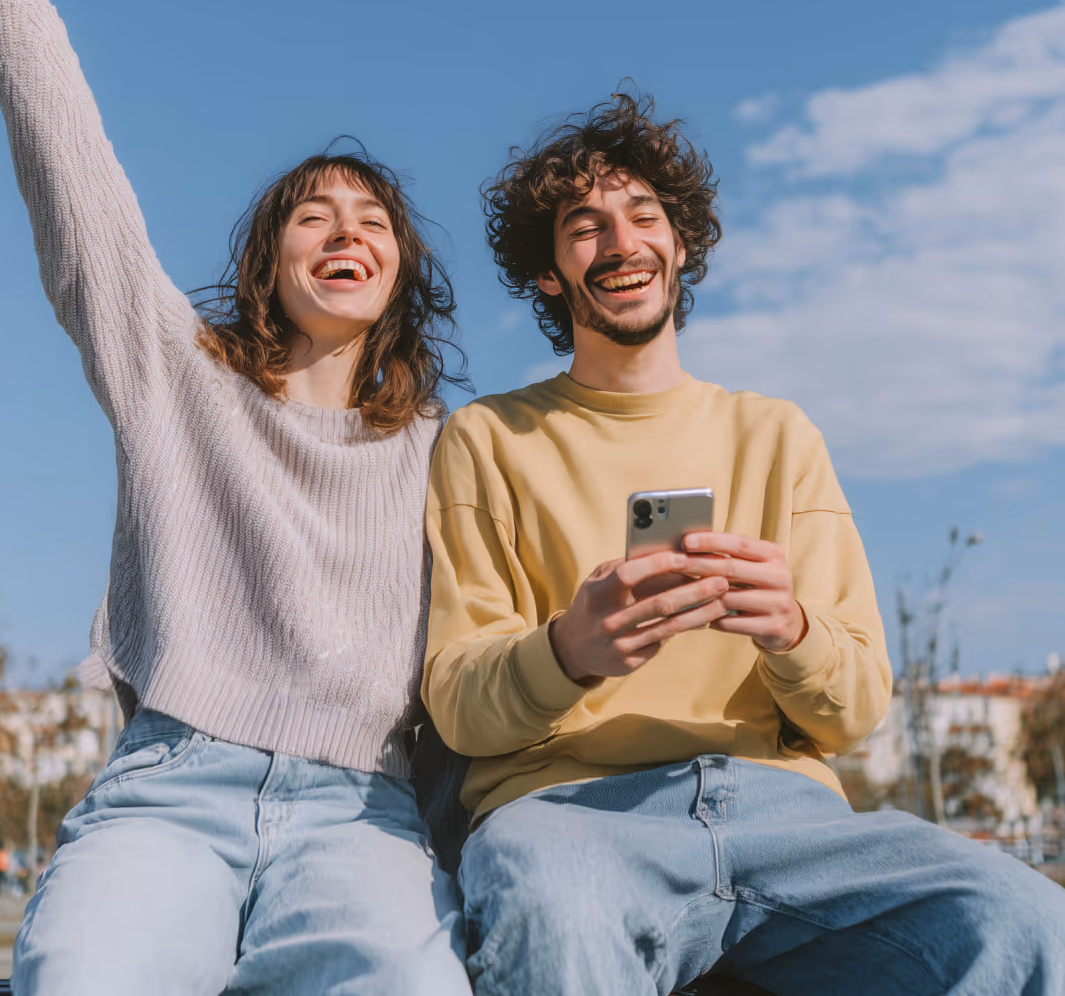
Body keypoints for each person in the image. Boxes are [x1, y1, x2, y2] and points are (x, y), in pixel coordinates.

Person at [0, 0, 472, 996]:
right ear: (268, 265)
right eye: (311, 216)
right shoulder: (178, 376)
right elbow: (76, 182)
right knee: (78, 971)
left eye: (370, 218)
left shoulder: (444, 452)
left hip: (360, 812)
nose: (343, 230)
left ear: (398, 273)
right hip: (171, 784)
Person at [423, 93, 1065, 996]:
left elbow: (855, 710)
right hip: (568, 814)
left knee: (1028, 921)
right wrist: (568, 651)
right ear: (547, 274)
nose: (620, 241)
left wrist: (795, 633)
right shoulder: (487, 438)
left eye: (644, 216)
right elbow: (457, 702)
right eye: (585, 227)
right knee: (556, 916)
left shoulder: (778, 435)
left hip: (790, 818)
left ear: (680, 246)